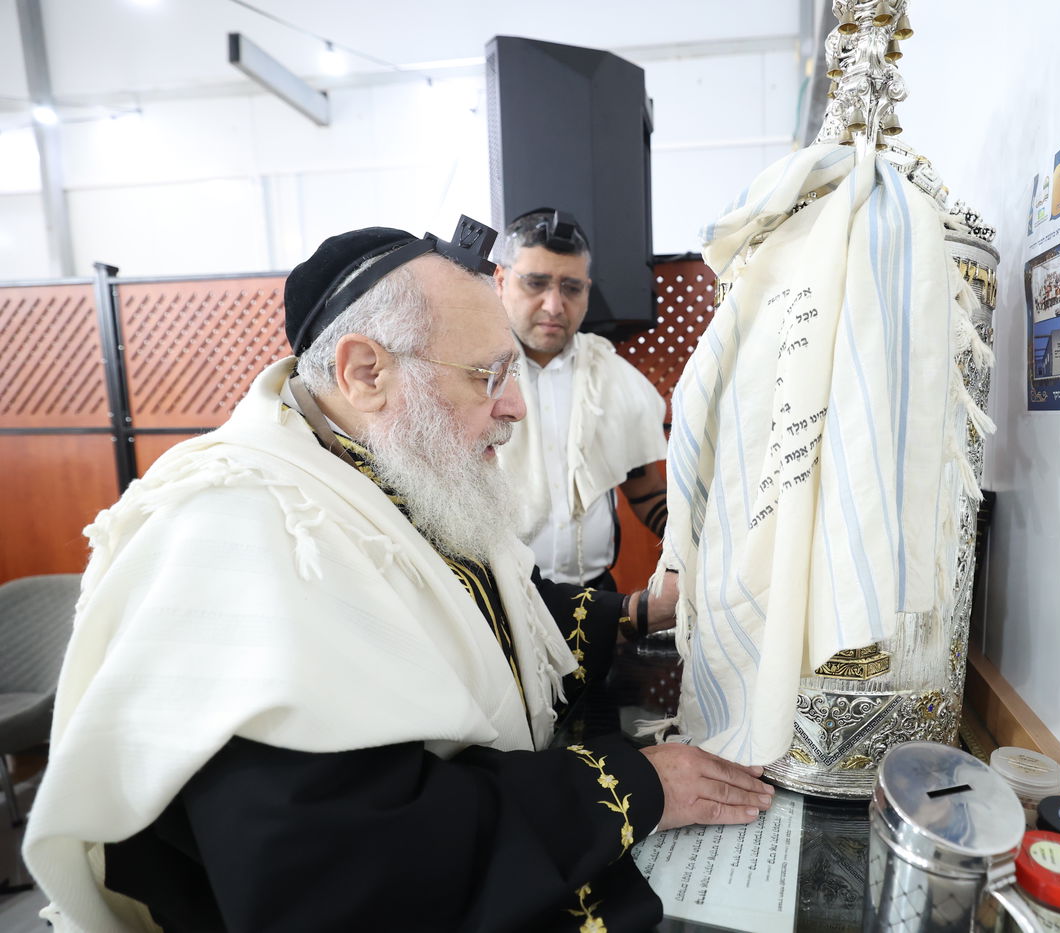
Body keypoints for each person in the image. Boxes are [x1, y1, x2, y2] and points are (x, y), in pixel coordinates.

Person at [22, 217, 772, 933]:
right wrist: (634, 786)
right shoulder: (240, 539)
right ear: (365, 371)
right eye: (488, 375)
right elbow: (345, 862)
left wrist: (639, 609)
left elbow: (486, 610)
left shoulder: (377, 462)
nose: (511, 407)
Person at [492, 209, 669, 593]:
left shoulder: (611, 374)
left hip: (596, 597)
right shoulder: (472, 375)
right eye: (535, 284)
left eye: (571, 288)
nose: (554, 306)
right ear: (500, 281)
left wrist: (701, 543)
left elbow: (645, 488)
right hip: (501, 599)